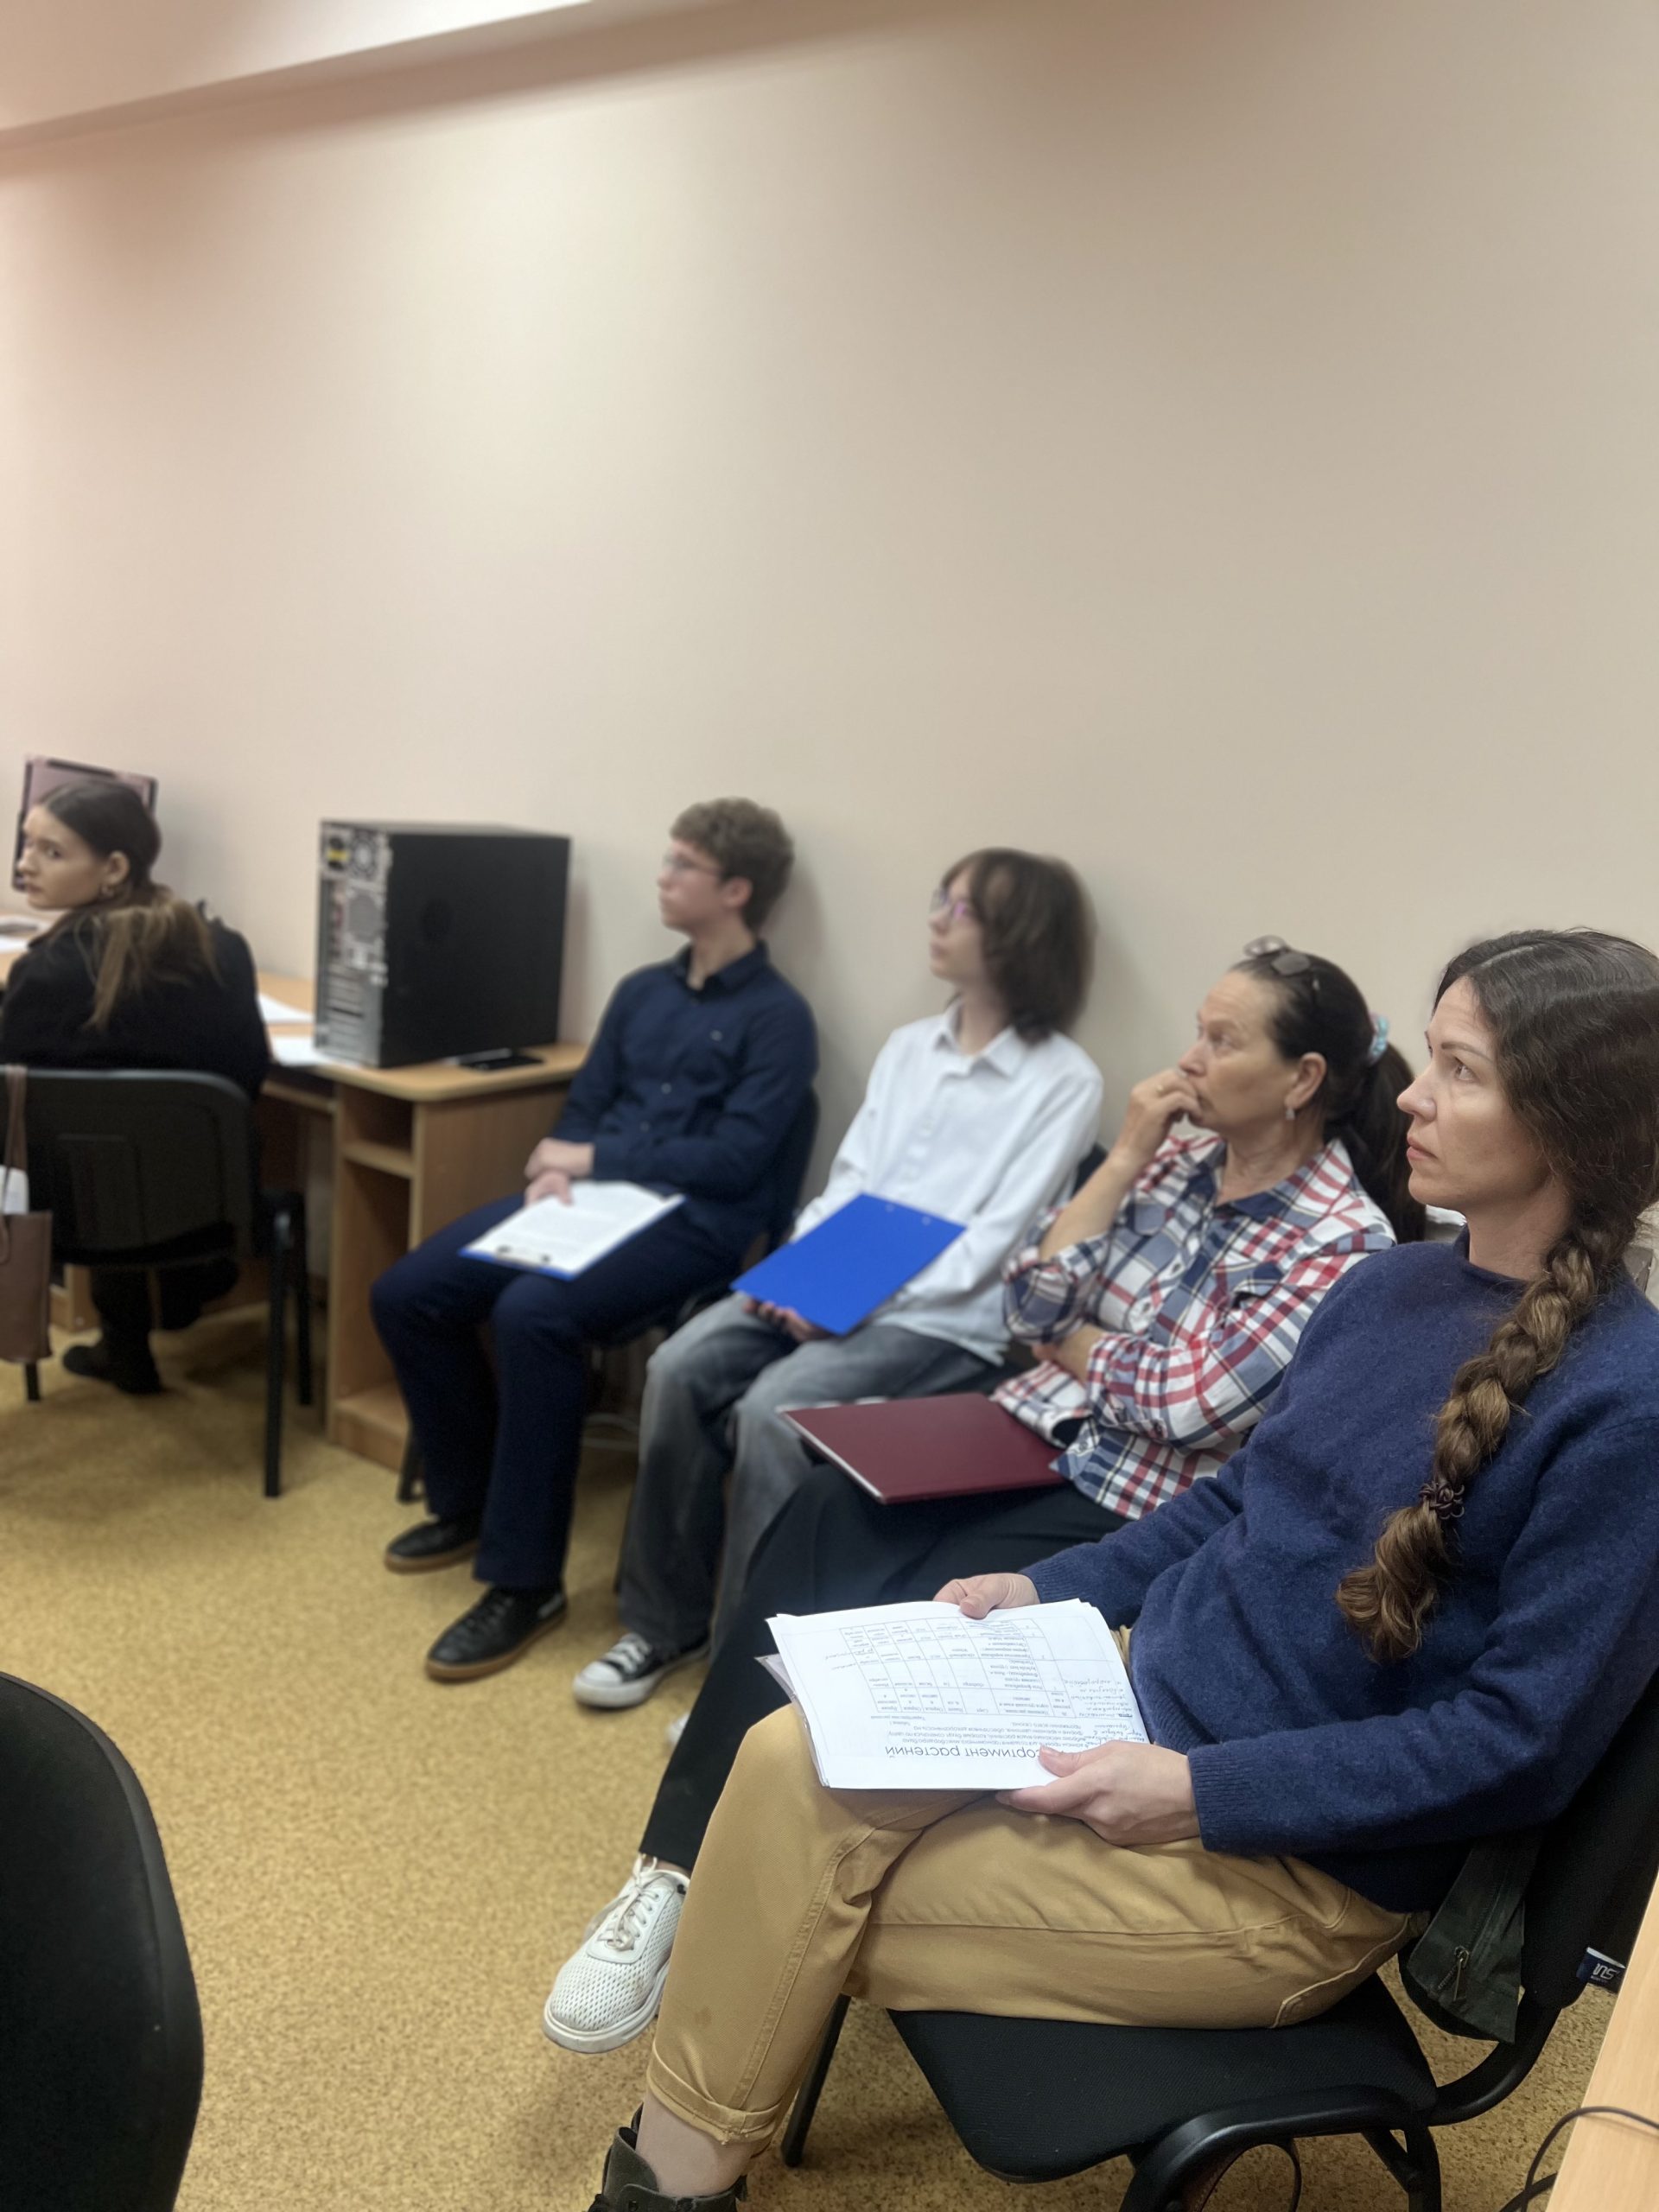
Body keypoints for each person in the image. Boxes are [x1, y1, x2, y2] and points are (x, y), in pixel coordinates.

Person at [572, 928, 1659, 2212]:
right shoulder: (1389, 1287)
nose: (1412, 1096)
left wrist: (1200, 1790)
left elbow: (1516, 1744)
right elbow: (1242, 1497)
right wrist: (1053, 1589)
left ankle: (661, 2191)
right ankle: (677, 2185)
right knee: (779, 1758)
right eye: (1428, 1058)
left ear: (1573, 1124)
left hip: (1291, 1870)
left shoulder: (1623, 1405)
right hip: (1128, 1703)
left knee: (778, 1891)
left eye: (1460, 1070)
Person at [546, 936, 1417, 2053]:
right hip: (1030, 1435)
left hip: (1134, 1502)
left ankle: (731, 1886)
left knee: (910, 1611)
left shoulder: (1344, 1242)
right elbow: (1031, 1302)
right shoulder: (1174, 1166)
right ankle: (669, 1874)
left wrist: (1080, 1348)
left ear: (1302, 1080)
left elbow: (1188, 1405)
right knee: (821, 1510)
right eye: (1195, 1031)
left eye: (1221, 1039)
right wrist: (1124, 1159)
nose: (1189, 1058)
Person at [567, 849, 1103, 1723]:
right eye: (940, 897)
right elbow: (848, 1184)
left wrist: (845, 1301)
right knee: (676, 1367)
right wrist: (795, 1276)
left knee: (772, 1412)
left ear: (1020, 935)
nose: (936, 918)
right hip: (829, 1284)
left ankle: (745, 1676)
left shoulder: (1064, 1079)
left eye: (961, 908)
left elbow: (991, 1246)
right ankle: (662, 1625)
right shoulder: (910, 1047)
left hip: (942, 1321)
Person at [372, 798, 817, 1683]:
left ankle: (525, 1582)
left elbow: (736, 1159)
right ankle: (472, 1498)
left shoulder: (779, 1017)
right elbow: (587, 1103)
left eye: (682, 864)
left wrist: (596, 1156)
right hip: (584, 1202)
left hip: (694, 1224)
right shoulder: (643, 990)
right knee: (408, 1292)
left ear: (735, 890)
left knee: (533, 1313)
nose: (663, 875)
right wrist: (556, 1166)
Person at [0, 779, 270, 1395]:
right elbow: (249, 1075)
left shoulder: (44, 974)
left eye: (51, 852)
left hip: (72, 1221)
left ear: (115, 868)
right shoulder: (223, 950)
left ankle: (125, 1346)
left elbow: (10, 1103)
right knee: (131, 1141)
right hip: (212, 1209)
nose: (24, 864)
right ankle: (184, 1289)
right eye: (26, 844)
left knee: (88, 1147)